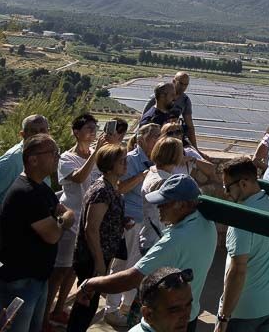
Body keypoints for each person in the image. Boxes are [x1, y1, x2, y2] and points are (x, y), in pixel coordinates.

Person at [78, 175, 217, 332]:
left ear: (182, 205)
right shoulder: (206, 222)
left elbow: (131, 279)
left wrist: (89, 285)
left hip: (166, 324)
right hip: (187, 317)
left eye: (165, 203)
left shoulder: (175, 241)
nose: (159, 207)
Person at [0, 134, 75, 332]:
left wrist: (62, 219)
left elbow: (64, 212)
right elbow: (54, 234)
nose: (58, 157)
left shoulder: (41, 188)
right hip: (20, 280)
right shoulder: (25, 192)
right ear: (33, 159)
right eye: (53, 153)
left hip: (36, 277)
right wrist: (64, 222)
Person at [216, 158, 269, 332]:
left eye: (227, 187)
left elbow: (237, 271)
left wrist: (223, 317)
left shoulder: (240, 220)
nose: (225, 192)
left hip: (246, 311)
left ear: (243, 184)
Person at [102, 125, 162, 325]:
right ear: (142, 138)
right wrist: (142, 176)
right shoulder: (131, 159)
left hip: (146, 222)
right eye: (154, 136)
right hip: (130, 220)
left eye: (159, 136)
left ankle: (125, 308)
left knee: (138, 267)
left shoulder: (156, 159)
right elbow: (119, 188)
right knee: (121, 266)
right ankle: (110, 309)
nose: (157, 140)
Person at [49, 113, 105, 324]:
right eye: (88, 128)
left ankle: (59, 308)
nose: (93, 132)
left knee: (73, 269)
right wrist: (96, 153)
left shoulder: (94, 155)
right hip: (70, 220)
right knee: (59, 270)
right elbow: (80, 177)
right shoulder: (66, 158)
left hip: (87, 220)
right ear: (76, 132)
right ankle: (46, 313)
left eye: (94, 127)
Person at [71, 144, 129, 327]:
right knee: (85, 306)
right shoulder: (102, 190)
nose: (126, 164)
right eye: (122, 161)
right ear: (110, 165)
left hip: (100, 255)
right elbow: (91, 228)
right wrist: (99, 262)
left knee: (89, 304)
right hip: (91, 258)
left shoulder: (111, 188)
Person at [0, 115, 50, 213]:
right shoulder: (12, 159)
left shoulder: (44, 154)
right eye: (33, 131)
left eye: (42, 130)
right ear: (23, 134)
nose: (39, 135)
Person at [141, 138, 187, 255]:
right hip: (157, 241)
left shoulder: (153, 171)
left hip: (149, 235)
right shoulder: (164, 182)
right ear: (175, 156)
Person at [141, 73, 200, 154]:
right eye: (181, 83)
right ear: (174, 81)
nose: (183, 87)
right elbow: (144, 123)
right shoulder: (156, 102)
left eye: (186, 85)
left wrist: (195, 149)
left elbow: (190, 126)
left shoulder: (185, 100)